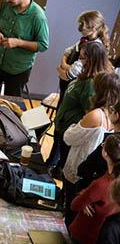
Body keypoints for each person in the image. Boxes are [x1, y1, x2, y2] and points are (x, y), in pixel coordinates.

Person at [62, 72, 119, 222]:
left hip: (81, 167)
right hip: (97, 172)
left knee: (72, 208)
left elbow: (68, 137)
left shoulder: (95, 115)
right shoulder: (112, 116)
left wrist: (75, 124)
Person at [48, 42, 114, 171]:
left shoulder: (90, 84)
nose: (79, 60)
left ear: (91, 60)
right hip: (64, 127)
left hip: (71, 132)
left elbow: (88, 112)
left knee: (65, 166)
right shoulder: (85, 75)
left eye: (82, 57)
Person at [68, 135, 120, 244]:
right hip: (103, 235)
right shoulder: (111, 178)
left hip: (88, 233)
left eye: (102, 145)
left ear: (106, 153)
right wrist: (88, 197)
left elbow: (74, 205)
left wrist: (85, 198)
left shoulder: (102, 183)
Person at [56, 11, 110, 106]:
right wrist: (65, 65)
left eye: (82, 24)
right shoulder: (84, 40)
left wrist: (61, 68)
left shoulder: (94, 48)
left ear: (93, 27)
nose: (80, 27)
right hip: (66, 84)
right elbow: (67, 51)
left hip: (73, 86)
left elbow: (74, 71)